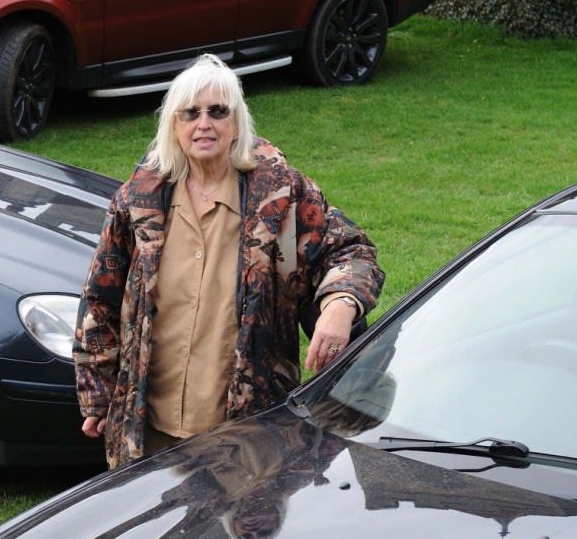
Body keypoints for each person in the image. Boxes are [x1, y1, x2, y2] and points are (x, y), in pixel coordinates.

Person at [74, 53, 383, 470]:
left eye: (218, 112)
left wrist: (341, 304)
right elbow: (100, 299)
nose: (204, 124)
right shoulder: (138, 199)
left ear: (236, 122)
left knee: (242, 534)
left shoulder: (280, 196)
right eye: (191, 113)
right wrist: (98, 392)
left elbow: (353, 251)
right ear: (174, 124)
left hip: (248, 435)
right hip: (148, 430)